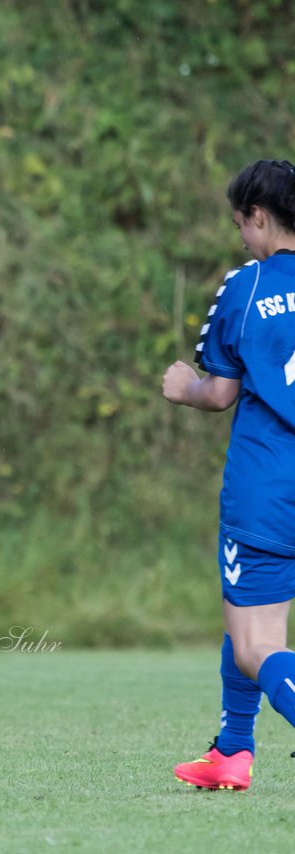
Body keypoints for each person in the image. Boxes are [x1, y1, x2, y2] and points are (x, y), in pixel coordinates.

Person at [163, 158, 295, 791]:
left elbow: (220, 394)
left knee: (256, 646)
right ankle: (232, 751)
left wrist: (184, 387)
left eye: (241, 223)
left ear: (260, 217)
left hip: (269, 487)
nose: (240, 236)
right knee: (244, 619)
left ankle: (236, 748)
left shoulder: (248, 287)